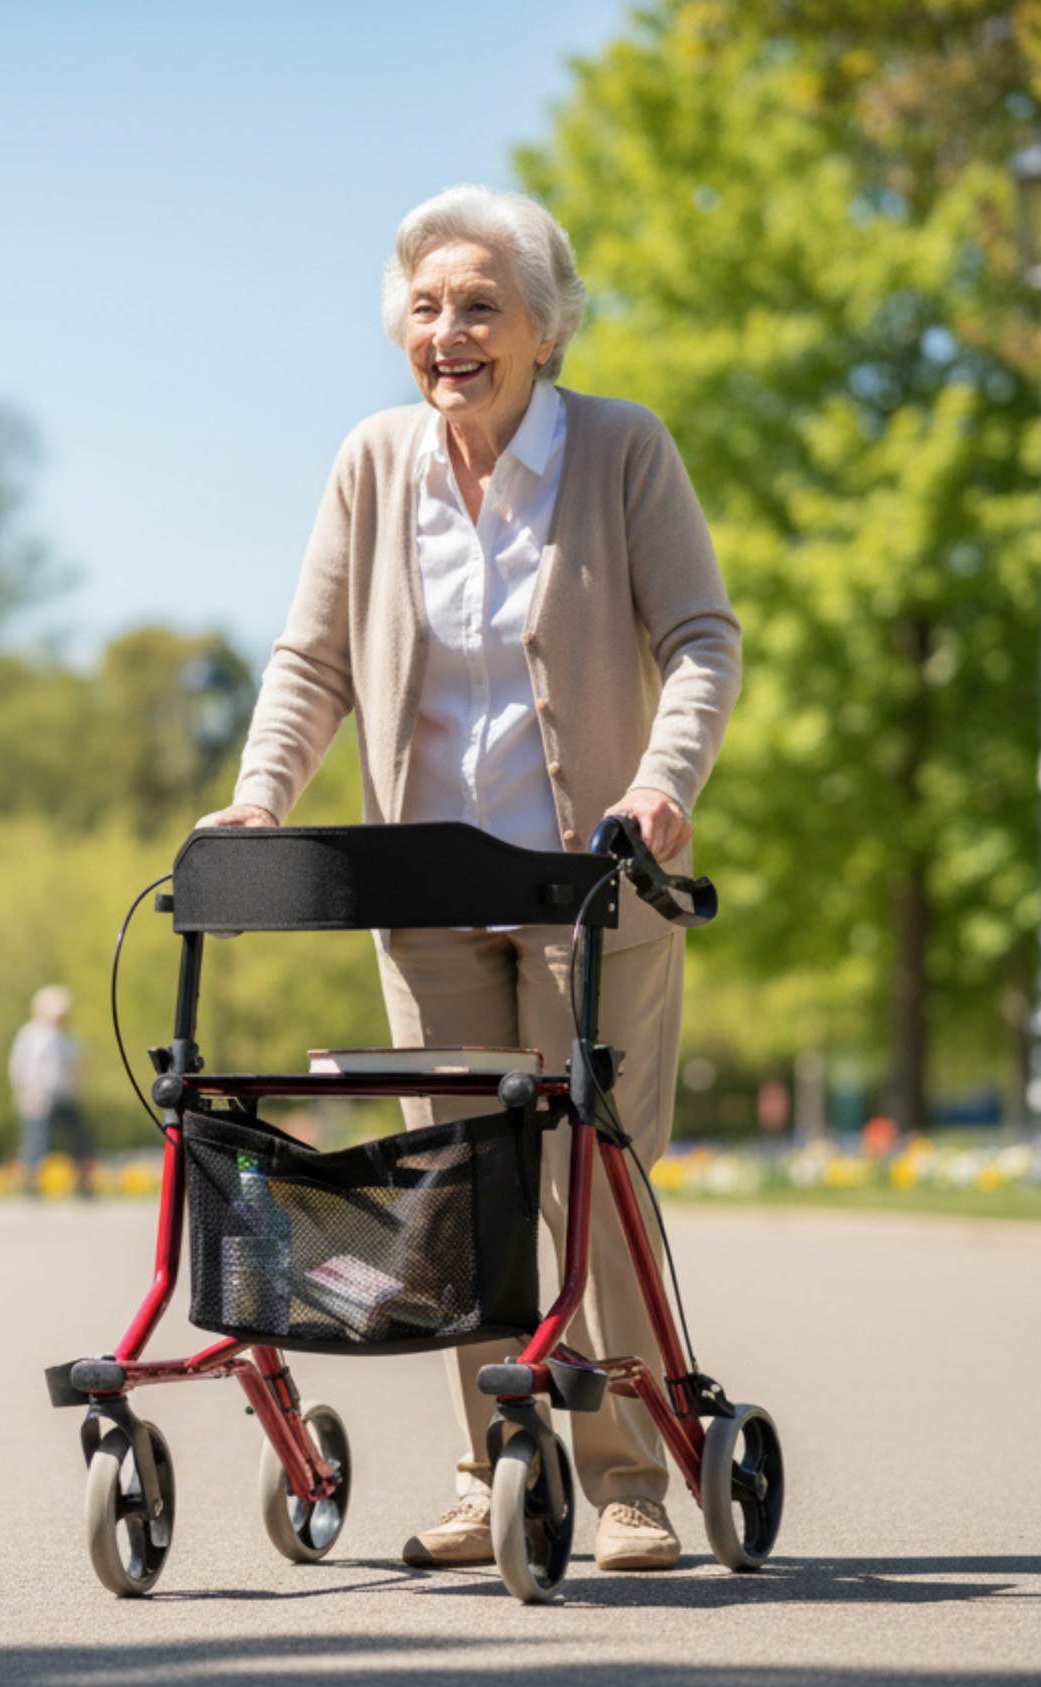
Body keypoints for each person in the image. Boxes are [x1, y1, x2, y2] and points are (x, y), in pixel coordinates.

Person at [200, 185, 742, 1572]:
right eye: (428, 307)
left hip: (590, 887)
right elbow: (310, 660)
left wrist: (661, 783)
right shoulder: (371, 463)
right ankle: (494, 1462)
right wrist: (265, 794)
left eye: (481, 305)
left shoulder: (621, 452)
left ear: (544, 328)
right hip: (425, 886)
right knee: (455, 1185)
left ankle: (623, 1479)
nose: (450, 332)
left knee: (588, 1181)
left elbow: (699, 637)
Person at [8, 985, 95, 1197]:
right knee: (37, 1143)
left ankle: (82, 1184)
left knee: (77, 1141)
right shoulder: (30, 1035)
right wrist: (24, 1094)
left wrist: (76, 1086)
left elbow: (78, 1063)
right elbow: (19, 1067)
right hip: (38, 1096)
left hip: (65, 1095)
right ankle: (31, 1185)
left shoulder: (67, 1037)